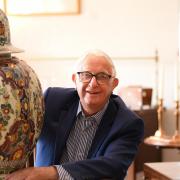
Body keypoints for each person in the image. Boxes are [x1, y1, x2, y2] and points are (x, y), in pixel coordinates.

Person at [6, 50, 144, 180]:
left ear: (114, 84)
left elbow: (114, 166)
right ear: (74, 80)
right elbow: (17, 123)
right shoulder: (52, 100)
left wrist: (51, 173)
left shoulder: (128, 123)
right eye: (86, 75)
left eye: (102, 76)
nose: (93, 83)